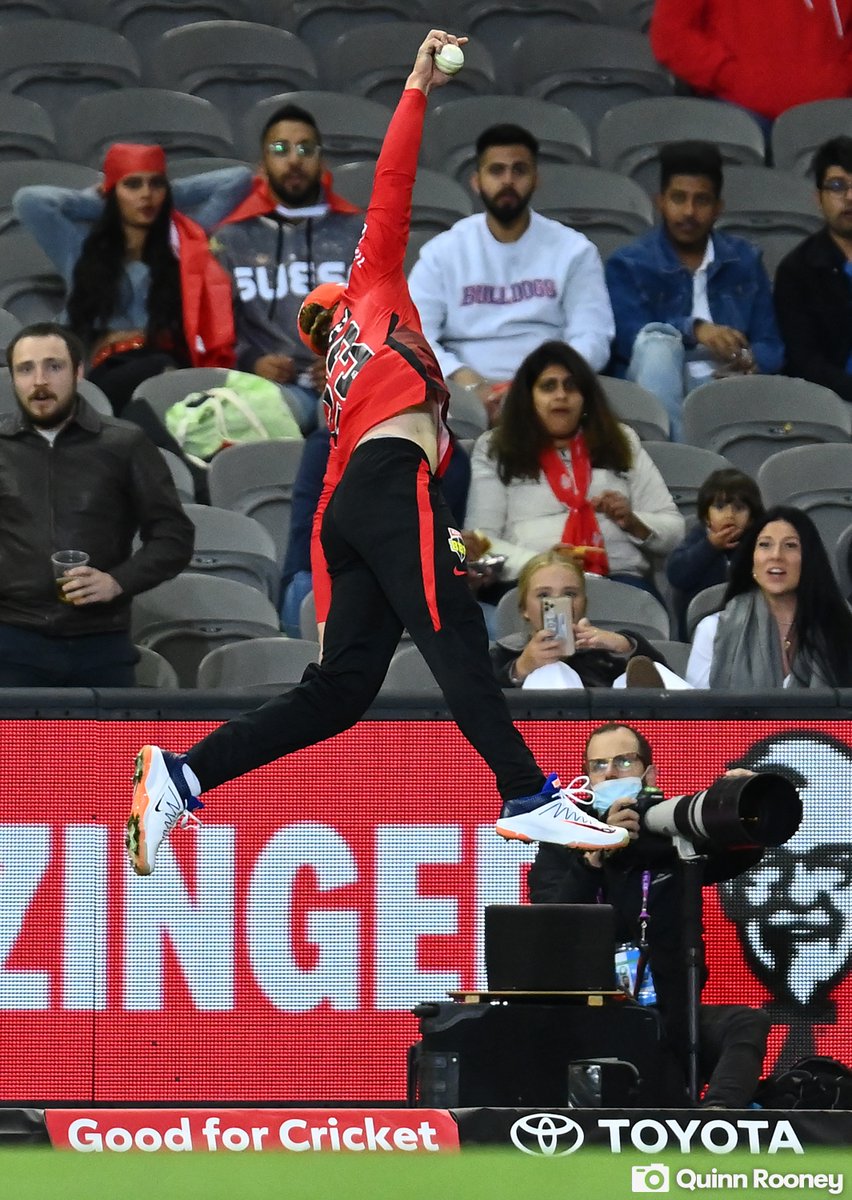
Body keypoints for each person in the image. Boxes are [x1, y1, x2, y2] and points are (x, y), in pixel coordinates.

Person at [126, 29, 630, 878]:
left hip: (368, 498)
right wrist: (416, 86)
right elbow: (392, 184)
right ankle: (524, 795)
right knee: (458, 642)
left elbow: (330, 505)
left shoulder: (335, 387)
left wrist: (332, 614)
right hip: (394, 485)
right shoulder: (374, 286)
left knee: (338, 691)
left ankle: (182, 775)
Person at [529, 721, 771, 1108]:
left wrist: (739, 799)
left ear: (649, 774)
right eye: (599, 765)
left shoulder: (672, 829)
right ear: (588, 779)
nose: (610, 772)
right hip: (594, 1016)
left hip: (672, 1012)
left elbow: (737, 855)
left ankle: (717, 1119)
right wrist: (594, 854)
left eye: (624, 761)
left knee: (747, 1023)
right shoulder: (563, 839)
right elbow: (549, 921)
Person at [0, 322, 194, 686]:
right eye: (26, 369)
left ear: (78, 372)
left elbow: (174, 536)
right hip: (11, 643)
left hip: (101, 645)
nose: (39, 381)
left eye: (53, 366)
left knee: (104, 746)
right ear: (13, 379)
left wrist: (117, 582)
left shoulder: (125, 444)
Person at [13, 145, 251, 413]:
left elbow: (238, 179)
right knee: (160, 379)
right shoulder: (81, 249)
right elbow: (30, 200)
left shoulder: (183, 241)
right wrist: (103, 200)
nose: (146, 195)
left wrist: (168, 196)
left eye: (156, 184)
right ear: (113, 191)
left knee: (164, 385)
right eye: (133, 185)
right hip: (111, 372)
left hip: (170, 365)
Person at [407, 122, 614, 424]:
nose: (508, 180)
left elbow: (592, 337)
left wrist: (541, 384)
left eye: (519, 170)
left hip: (551, 392)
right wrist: (468, 382)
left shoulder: (574, 250)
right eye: (496, 171)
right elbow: (415, 337)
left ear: (536, 179)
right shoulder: (442, 253)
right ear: (476, 181)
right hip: (461, 394)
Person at [464, 340, 684, 598]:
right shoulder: (496, 448)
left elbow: (675, 530)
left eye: (571, 386)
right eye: (548, 387)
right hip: (531, 583)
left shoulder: (621, 440)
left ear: (585, 398)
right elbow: (481, 541)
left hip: (618, 581)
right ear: (528, 398)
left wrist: (634, 522)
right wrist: (543, 563)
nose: (561, 395)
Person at [605, 141, 784, 441]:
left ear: (718, 208)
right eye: (678, 198)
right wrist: (696, 329)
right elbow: (628, 338)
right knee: (658, 346)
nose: (689, 211)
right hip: (657, 384)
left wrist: (752, 360)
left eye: (701, 201)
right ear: (660, 201)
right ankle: (674, 458)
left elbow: (771, 343)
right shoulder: (629, 263)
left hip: (726, 385)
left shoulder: (745, 259)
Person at [210, 103, 365, 434]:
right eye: (280, 149)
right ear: (262, 164)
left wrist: (345, 362)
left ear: (321, 161)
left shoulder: (357, 232)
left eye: (305, 149)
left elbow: (380, 314)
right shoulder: (232, 239)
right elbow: (217, 327)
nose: (294, 159)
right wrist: (251, 361)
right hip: (266, 388)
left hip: (348, 383)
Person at [721, 729, 852, 1068]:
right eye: (770, 865)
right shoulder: (707, 1035)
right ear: (730, 890)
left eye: (832, 865)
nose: (800, 896)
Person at [278, 425, 471, 638]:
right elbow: (311, 540)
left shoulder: (451, 458)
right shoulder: (329, 444)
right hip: (330, 578)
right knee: (305, 592)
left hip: (417, 588)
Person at [686, 505, 852, 688]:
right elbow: (698, 711)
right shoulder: (713, 631)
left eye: (790, 545)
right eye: (765, 545)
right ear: (752, 560)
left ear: (809, 559)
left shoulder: (842, 629)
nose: (776, 556)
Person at [649, 0, 852, 129]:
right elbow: (670, 36)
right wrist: (730, 76)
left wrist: (843, 80)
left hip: (833, 115)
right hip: (740, 115)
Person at [490, 549, 667, 688]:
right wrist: (520, 670)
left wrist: (625, 646)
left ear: (584, 603)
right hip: (535, 732)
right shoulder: (502, 654)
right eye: (544, 595)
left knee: (646, 674)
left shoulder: (609, 652)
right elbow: (478, 707)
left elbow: (670, 682)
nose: (558, 602)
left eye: (570, 594)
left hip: (610, 727)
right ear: (524, 609)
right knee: (551, 671)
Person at [774, 136, 852, 405]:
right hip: (832, 402)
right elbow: (805, 361)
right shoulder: (797, 271)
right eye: (837, 186)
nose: (850, 197)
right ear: (818, 198)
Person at [666, 467, 764, 639]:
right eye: (720, 507)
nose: (729, 515)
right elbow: (676, 573)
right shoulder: (698, 538)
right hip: (696, 636)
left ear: (752, 518)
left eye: (739, 508)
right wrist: (710, 546)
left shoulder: (758, 544)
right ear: (706, 516)